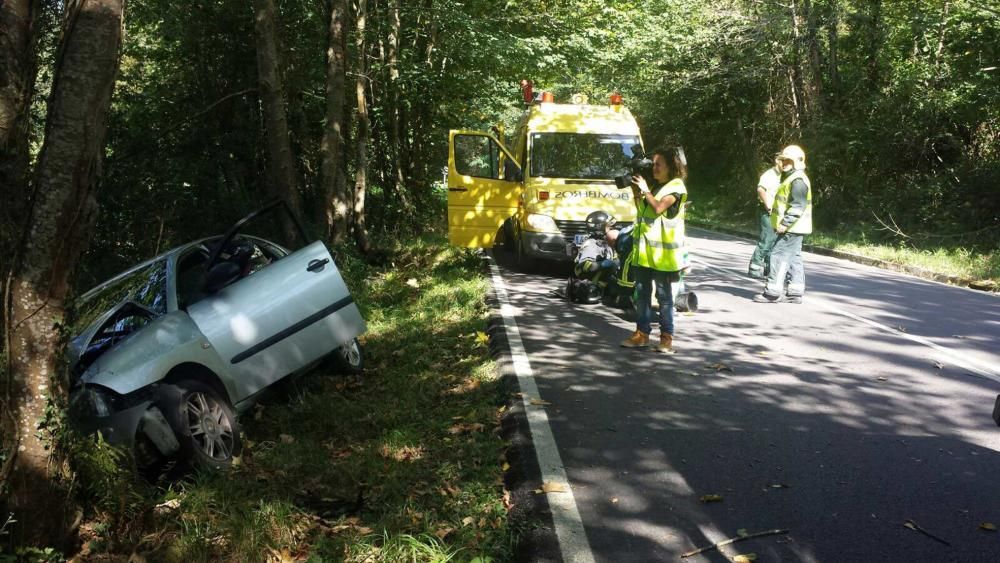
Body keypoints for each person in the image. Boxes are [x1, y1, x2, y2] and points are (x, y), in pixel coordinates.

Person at [621, 146, 688, 353]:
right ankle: (641, 334)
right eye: (654, 164)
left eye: (659, 164)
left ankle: (666, 339)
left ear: (671, 167)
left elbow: (659, 208)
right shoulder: (656, 186)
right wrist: (636, 189)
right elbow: (644, 210)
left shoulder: (676, 187)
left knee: (664, 298)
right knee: (641, 295)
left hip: (663, 257)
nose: (655, 168)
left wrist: (645, 190)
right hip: (644, 254)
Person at [754, 144, 812, 304]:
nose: (784, 163)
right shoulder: (793, 178)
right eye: (783, 160)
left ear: (797, 161)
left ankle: (772, 292)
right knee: (794, 258)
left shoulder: (798, 180)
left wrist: (785, 224)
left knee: (778, 256)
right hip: (797, 227)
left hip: (791, 228)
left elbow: (797, 206)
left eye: (788, 161)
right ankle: (795, 292)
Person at [748, 157, 782, 279]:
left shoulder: (783, 176)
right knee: (767, 239)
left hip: (778, 214)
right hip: (768, 212)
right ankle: (754, 266)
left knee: (774, 242)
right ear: (777, 161)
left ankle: (768, 268)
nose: (786, 164)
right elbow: (760, 189)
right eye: (784, 161)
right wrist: (768, 206)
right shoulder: (769, 175)